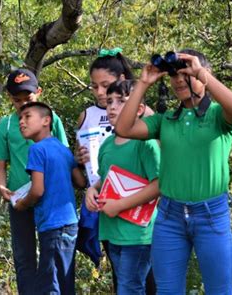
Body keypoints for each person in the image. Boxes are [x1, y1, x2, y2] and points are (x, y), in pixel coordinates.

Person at [116, 49, 232, 294]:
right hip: (170, 217)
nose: (178, 80)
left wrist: (200, 72)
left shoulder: (218, 115)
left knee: (220, 291)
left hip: (211, 216)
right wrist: (143, 83)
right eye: (174, 75)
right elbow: (123, 128)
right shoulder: (166, 120)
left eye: (185, 73)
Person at [76, 48, 156, 293]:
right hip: (110, 222)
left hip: (140, 227)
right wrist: (89, 184)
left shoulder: (147, 129)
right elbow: (100, 175)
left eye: (107, 87)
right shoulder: (101, 134)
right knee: (124, 283)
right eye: (95, 87)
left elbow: (160, 179)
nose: (103, 96)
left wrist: (121, 204)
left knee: (136, 284)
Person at [0, 69, 69, 294]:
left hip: (48, 198)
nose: (23, 104)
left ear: (39, 93)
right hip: (19, 197)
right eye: (17, 100)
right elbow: (1, 163)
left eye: (29, 98)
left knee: (50, 254)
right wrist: (3, 187)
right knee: (24, 256)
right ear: (10, 98)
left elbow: (63, 156)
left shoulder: (51, 121)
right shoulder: (6, 124)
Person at [14, 101, 86, 295]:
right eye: (20, 118)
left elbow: (37, 190)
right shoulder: (62, 148)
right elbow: (80, 181)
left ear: (46, 120)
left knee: (50, 285)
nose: (22, 121)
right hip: (70, 224)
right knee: (65, 281)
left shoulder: (36, 150)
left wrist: (22, 203)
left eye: (28, 116)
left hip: (52, 226)